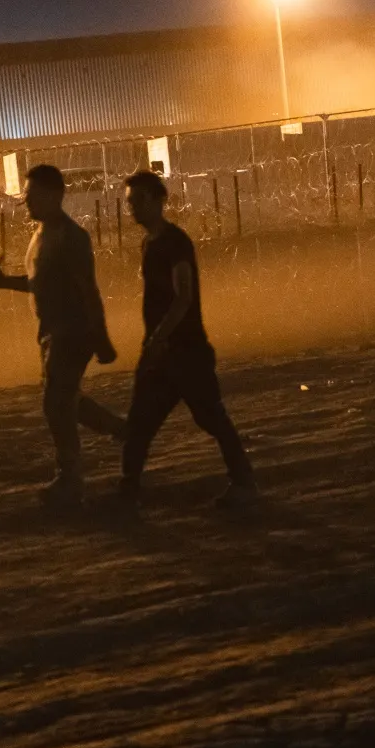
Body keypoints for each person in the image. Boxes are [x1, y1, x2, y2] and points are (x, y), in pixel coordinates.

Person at [0, 162, 124, 504]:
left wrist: (101, 337)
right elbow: (39, 284)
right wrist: (4, 283)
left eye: (32, 196)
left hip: (72, 332)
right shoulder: (41, 236)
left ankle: (70, 479)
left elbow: (88, 290)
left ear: (54, 195)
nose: (27, 203)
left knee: (55, 403)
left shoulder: (71, 238)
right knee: (64, 399)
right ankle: (122, 430)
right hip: (50, 332)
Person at [119, 171, 255, 507]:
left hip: (185, 351)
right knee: (140, 422)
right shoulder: (150, 243)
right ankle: (128, 489)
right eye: (130, 202)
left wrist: (158, 337)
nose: (132, 208)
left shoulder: (175, 243)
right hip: (163, 350)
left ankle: (243, 482)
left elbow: (184, 297)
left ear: (157, 200)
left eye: (138, 200)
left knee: (209, 417)